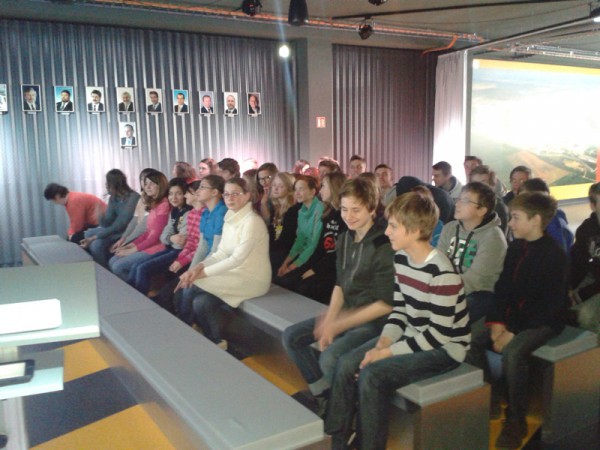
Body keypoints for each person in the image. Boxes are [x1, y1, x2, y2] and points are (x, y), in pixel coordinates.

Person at [324, 190, 470, 449]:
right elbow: (400, 311)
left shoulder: (442, 273)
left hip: (445, 349)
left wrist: (387, 353)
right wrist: (383, 342)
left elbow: (438, 335)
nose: (387, 231)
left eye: (393, 226)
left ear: (415, 231)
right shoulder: (402, 259)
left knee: (372, 375)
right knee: (346, 363)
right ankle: (338, 437)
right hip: (414, 336)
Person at [282, 176, 395, 417]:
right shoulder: (345, 238)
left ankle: (347, 411)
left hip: (375, 322)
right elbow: (340, 285)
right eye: (344, 209)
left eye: (356, 210)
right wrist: (331, 319)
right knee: (291, 337)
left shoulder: (384, 245)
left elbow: (386, 304)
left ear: (372, 208)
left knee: (330, 358)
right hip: (348, 313)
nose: (349, 216)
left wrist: (338, 324)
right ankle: (325, 395)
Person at [467, 192, 568, 449]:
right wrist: (496, 322)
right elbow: (503, 288)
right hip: (512, 318)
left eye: (515, 217)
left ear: (535, 220)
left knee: (513, 353)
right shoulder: (515, 247)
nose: (510, 223)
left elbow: (548, 305)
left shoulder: (554, 255)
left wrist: (511, 331)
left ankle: (516, 419)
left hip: (543, 320)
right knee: (469, 338)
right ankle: (490, 401)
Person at [176, 178, 270, 349]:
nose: (230, 198)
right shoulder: (230, 217)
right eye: (226, 194)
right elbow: (221, 253)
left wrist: (201, 274)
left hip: (251, 278)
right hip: (234, 274)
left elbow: (237, 259)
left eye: (235, 194)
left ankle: (183, 333)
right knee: (201, 302)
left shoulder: (252, 221)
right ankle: (216, 342)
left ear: (247, 195)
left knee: (190, 285)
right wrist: (199, 267)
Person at [437, 182, 507, 323]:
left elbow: (475, 280)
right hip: (447, 286)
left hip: (478, 293)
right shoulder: (450, 228)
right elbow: (438, 262)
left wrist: (442, 292)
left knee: (446, 313)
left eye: (465, 201)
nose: (457, 204)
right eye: (458, 199)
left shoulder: (493, 237)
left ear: (481, 210)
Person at [284, 172, 348, 303]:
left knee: (304, 287)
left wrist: (314, 270)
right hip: (322, 263)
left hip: (334, 269)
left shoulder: (344, 218)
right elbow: (319, 248)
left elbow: (337, 255)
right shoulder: (328, 214)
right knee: (289, 280)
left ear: (334, 188)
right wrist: (305, 266)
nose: (320, 190)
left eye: (323, 186)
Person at [175, 175, 227, 323]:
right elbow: (202, 246)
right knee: (182, 288)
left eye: (202, 187)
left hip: (219, 263)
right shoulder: (205, 212)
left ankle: (185, 325)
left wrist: (195, 272)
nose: (198, 191)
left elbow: (216, 251)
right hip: (207, 262)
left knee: (189, 288)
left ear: (214, 192)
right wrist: (190, 271)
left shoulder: (221, 212)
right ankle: (187, 324)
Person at [127, 178, 193, 295]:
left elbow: (180, 244)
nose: (174, 198)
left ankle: (139, 301)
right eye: (171, 194)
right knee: (135, 266)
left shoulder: (189, 213)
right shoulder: (174, 211)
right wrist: (171, 238)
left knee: (142, 269)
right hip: (170, 248)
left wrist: (169, 238)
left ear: (185, 194)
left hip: (179, 252)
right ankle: (130, 297)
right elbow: (164, 236)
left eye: (178, 193)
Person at [108, 171, 170, 281]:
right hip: (149, 245)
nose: (147, 187)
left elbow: (155, 237)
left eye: (152, 184)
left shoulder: (164, 205)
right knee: (112, 260)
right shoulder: (155, 204)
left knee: (118, 266)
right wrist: (130, 245)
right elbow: (147, 232)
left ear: (161, 185)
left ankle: (134, 290)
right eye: (146, 184)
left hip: (157, 247)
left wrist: (132, 250)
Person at [80, 169, 140, 267]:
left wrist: (95, 237)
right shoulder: (114, 198)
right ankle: (102, 261)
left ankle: (105, 270)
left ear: (115, 184)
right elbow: (107, 223)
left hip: (126, 231)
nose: (106, 185)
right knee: (87, 233)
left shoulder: (133, 198)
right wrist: (100, 215)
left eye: (107, 182)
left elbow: (121, 224)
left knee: (96, 244)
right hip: (117, 230)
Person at [276, 175, 323, 281]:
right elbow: (299, 241)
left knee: (287, 279)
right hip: (305, 253)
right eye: (295, 190)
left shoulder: (319, 208)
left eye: (301, 189)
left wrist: (291, 267)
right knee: (279, 272)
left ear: (312, 192)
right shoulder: (301, 211)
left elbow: (314, 244)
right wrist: (285, 263)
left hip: (316, 257)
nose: (297, 193)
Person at [571, 182, 600, 335]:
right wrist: (568, 288)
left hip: (595, 284)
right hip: (592, 277)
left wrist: (582, 294)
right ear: (593, 206)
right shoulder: (586, 230)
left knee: (586, 316)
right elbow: (577, 262)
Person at [520, 178, 573, 253]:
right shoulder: (549, 219)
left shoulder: (553, 224)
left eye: (524, 200)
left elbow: (558, 254)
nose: (520, 204)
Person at [267, 172, 300, 277]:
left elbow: (287, 239)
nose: (276, 189)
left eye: (281, 186)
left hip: (287, 255)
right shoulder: (275, 209)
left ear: (289, 188)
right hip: (276, 252)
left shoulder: (293, 210)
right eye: (274, 185)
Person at [469, 165, 509, 233]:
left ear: (492, 184)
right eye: (475, 184)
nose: (478, 187)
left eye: (483, 183)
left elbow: (499, 236)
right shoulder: (467, 203)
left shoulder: (499, 208)